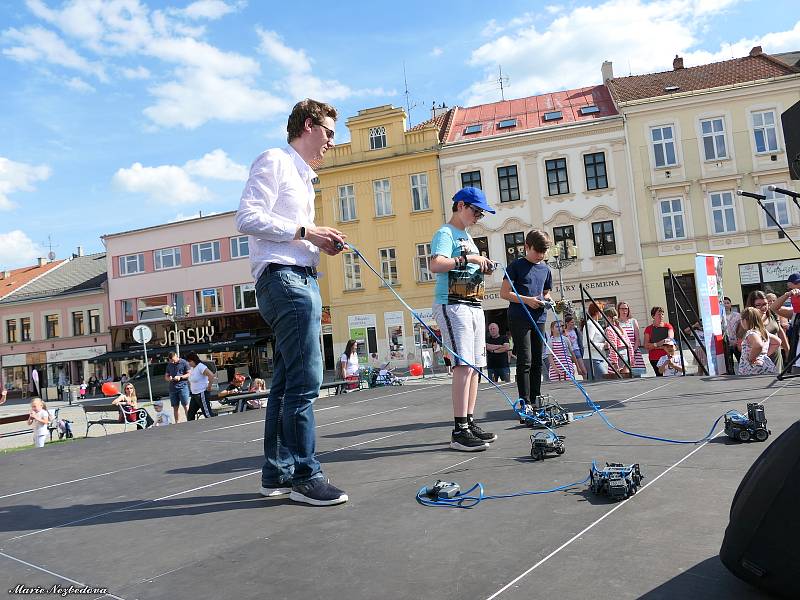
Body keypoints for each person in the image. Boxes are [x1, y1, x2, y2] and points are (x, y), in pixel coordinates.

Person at [236, 98, 348, 506]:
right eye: (329, 133)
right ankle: (306, 474)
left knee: (285, 383)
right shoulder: (275, 160)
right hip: (285, 280)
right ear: (307, 125)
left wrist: (317, 239)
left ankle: (277, 473)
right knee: (304, 381)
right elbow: (247, 217)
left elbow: (293, 233)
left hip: (294, 277)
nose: (332, 143)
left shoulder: (302, 177)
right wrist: (307, 231)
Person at [430, 187, 497, 452]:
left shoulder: (467, 236)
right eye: (476, 211)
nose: (478, 217)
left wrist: (483, 264)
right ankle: (460, 429)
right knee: (463, 365)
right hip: (452, 303)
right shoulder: (445, 233)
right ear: (460, 206)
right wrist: (470, 258)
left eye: (480, 214)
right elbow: (436, 264)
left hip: (472, 302)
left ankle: (468, 421)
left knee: (476, 366)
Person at [500, 229, 553, 413]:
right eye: (537, 251)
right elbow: (504, 293)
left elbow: (546, 291)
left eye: (543, 252)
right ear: (527, 247)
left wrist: (547, 300)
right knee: (525, 359)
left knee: (538, 360)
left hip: (539, 317)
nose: (541, 255)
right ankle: (525, 402)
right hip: (519, 317)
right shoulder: (515, 266)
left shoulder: (545, 269)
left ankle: (536, 399)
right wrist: (528, 300)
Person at [737, 307, 780, 376]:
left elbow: (758, 345)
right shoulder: (763, 332)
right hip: (765, 364)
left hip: (753, 369)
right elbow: (777, 342)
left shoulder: (751, 333)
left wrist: (751, 358)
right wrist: (763, 355)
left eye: (741, 320)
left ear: (745, 320)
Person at [617, 301, 646, 376]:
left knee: (636, 375)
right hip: (621, 353)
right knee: (623, 375)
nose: (624, 311)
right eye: (622, 309)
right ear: (618, 310)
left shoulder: (633, 321)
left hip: (634, 351)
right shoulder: (616, 322)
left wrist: (633, 351)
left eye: (626, 308)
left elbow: (637, 338)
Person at [644, 306, 674, 376]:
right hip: (655, 358)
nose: (661, 316)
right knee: (660, 378)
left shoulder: (668, 326)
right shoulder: (648, 329)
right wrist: (659, 344)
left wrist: (654, 345)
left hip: (667, 357)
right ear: (653, 316)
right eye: (659, 314)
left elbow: (669, 340)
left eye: (662, 314)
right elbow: (646, 345)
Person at [582, 302, 608, 380]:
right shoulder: (590, 324)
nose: (602, 313)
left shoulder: (596, 323)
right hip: (593, 358)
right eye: (601, 310)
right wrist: (603, 345)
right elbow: (587, 343)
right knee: (602, 380)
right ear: (597, 311)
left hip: (597, 357)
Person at [186, 352, 215, 420]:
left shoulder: (200, 366)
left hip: (201, 393)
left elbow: (211, 375)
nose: (188, 363)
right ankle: (193, 429)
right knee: (190, 415)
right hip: (194, 395)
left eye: (190, 361)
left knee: (207, 414)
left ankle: (215, 425)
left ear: (194, 360)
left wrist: (209, 387)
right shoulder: (193, 368)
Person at [604, 306, 632, 377]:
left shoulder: (609, 329)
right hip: (625, 355)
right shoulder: (620, 328)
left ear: (608, 318)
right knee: (625, 377)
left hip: (617, 357)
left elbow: (613, 346)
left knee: (614, 380)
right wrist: (631, 358)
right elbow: (629, 344)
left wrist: (614, 363)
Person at [165, 351, 191, 423]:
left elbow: (189, 374)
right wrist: (168, 378)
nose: (172, 362)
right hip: (172, 389)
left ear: (176, 356)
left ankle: (190, 421)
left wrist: (180, 377)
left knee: (185, 405)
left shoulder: (184, 362)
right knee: (175, 407)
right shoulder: (169, 364)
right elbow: (166, 376)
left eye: (173, 360)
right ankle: (177, 423)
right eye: (171, 361)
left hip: (182, 387)